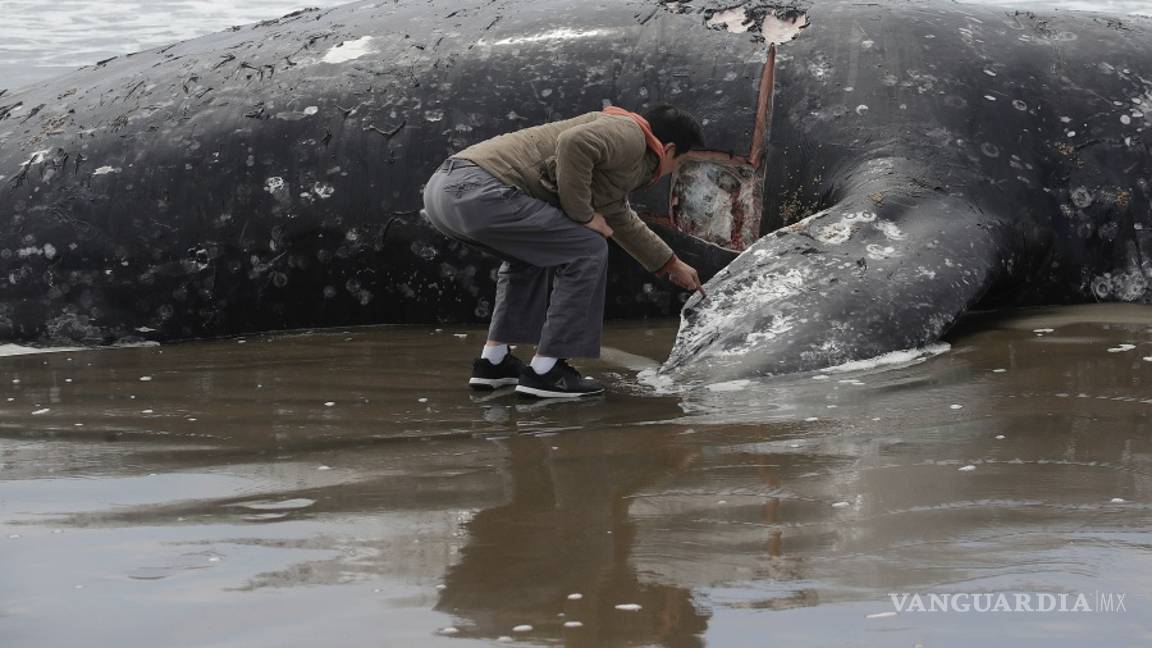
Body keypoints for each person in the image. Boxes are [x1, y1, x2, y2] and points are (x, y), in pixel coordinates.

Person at [422, 104, 705, 398]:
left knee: (531, 257)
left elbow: (618, 215)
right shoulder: (631, 134)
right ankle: (546, 372)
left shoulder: (622, 157)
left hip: (444, 193)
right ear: (669, 149)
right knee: (588, 248)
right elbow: (574, 143)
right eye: (681, 162)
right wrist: (582, 215)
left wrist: (671, 264)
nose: (676, 170)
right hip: (478, 190)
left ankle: (494, 364)